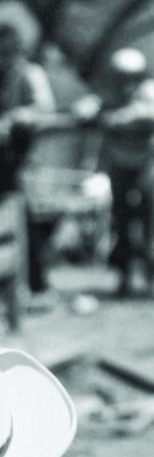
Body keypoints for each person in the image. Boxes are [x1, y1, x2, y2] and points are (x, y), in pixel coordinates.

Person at [0, 22, 58, 293]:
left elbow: (44, 109)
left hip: (22, 161)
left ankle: (35, 283)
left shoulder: (30, 75)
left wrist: (18, 118)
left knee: (29, 223)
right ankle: (1, 285)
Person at [74, 47, 154, 297]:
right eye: (122, 76)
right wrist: (86, 109)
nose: (127, 83)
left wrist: (118, 118)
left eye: (132, 76)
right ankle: (124, 274)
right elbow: (87, 107)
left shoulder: (148, 93)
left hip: (147, 165)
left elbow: (147, 114)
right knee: (121, 220)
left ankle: (150, 274)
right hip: (119, 166)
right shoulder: (109, 95)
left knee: (150, 220)